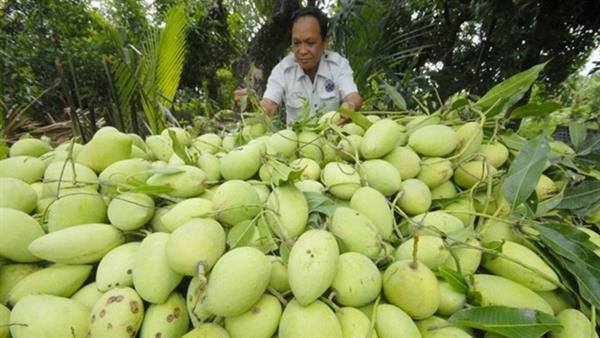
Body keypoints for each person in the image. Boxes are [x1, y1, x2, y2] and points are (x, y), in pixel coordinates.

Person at [234, 6, 362, 123]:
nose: (302, 51)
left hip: (331, 141)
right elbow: (269, 105)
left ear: (325, 42)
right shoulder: (283, 70)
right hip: (296, 144)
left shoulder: (338, 65)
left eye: (310, 43)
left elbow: (353, 96)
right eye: (296, 43)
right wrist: (252, 104)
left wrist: (349, 106)